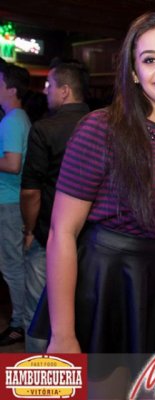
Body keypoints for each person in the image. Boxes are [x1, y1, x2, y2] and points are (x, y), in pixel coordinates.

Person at [38, 12, 155, 353]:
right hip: (106, 283)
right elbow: (62, 233)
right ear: (134, 73)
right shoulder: (102, 128)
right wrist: (62, 334)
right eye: (150, 60)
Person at [20, 60, 90, 353]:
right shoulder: (106, 125)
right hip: (93, 241)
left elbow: (31, 192)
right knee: (83, 312)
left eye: (49, 85)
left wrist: (29, 229)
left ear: (64, 91)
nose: (46, 91)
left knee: (40, 312)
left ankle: (41, 373)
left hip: (51, 233)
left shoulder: (44, 129)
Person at [0, 63, 31, 346]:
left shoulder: (11, 121)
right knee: (14, 264)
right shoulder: (17, 118)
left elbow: (12, 163)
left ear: (11, 89)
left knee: (12, 267)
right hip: (11, 201)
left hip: (8, 204)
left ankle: (19, 323)